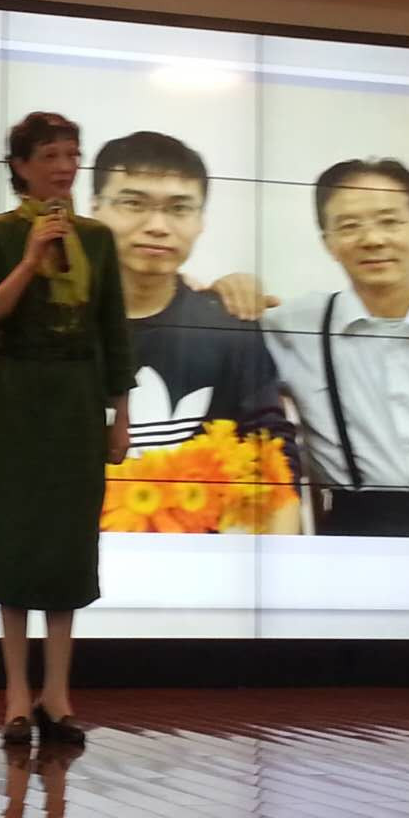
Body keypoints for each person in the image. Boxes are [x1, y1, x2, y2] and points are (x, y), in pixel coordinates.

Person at [0, 112, 134, 747]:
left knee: (66, 545)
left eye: (71, 154)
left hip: (76, 403)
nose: (64, 167)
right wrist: (31, 260)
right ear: (21, 166)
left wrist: (120, 416)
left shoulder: (99, 238)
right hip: (15, 403)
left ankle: (57, 694)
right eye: (51, 155)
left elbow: (114, 330)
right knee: (13, 544)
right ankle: (14, 693)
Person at [235, 158, 409, 538]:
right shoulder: (292, 328)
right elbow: (221, 323)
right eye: (349, 226)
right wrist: (230, 287)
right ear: (328, 243)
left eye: (390, 221)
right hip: (359, 526)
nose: (372, 239)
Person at [89, 131, 300, 533]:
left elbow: (272, 455)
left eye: (179, 208)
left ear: (201, 221)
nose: (157, 226)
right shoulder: (53, 324)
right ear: (95, 209)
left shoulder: (229, 327)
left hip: (201, 557)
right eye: (133, 203)